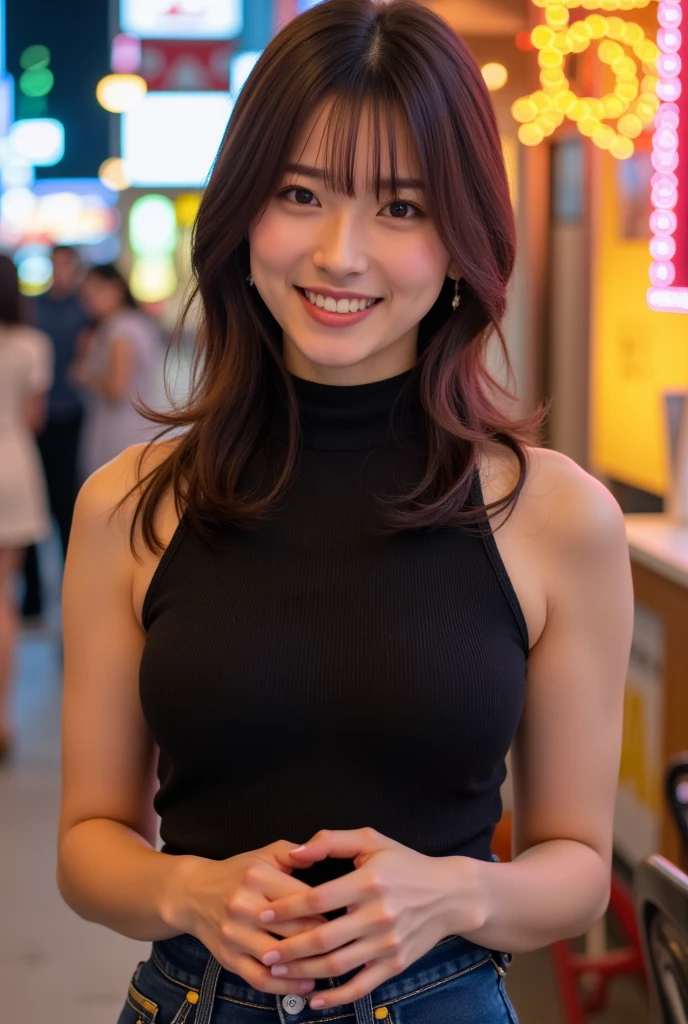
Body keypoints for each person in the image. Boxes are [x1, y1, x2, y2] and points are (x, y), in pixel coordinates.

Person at [57, 2, 634, 1023]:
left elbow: (579, 865)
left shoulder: (554, 516)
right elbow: (88, 841)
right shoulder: (131, 505)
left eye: (401, 208)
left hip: (443, 999)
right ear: (243, 216)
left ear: (460, 241)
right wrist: (182, 886)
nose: (340, 252)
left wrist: (457, 889)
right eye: (300, 193)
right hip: (197, 999)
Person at [0, 255, 53, 762]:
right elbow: (33, 417)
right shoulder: (31, 344)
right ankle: (2, 718)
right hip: (12, 463)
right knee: (4, 598)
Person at [21, 245, 88, 622]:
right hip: (33, 421)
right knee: (32, 507)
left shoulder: (84, 311)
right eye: (55, 265)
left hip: (69, 417)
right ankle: (31, 597)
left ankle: (69, 591)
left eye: (67, 265)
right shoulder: (32, 310)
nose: (60, 272)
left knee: (66, 507)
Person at [71, 263, 163, 479]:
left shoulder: (120, 330)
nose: (89, 299)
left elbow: (116, 388)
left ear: (116, 287)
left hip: (118, 431)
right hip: (136, 425)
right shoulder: (136, 322)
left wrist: (84, 374)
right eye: (85, 294)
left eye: (95, 290)